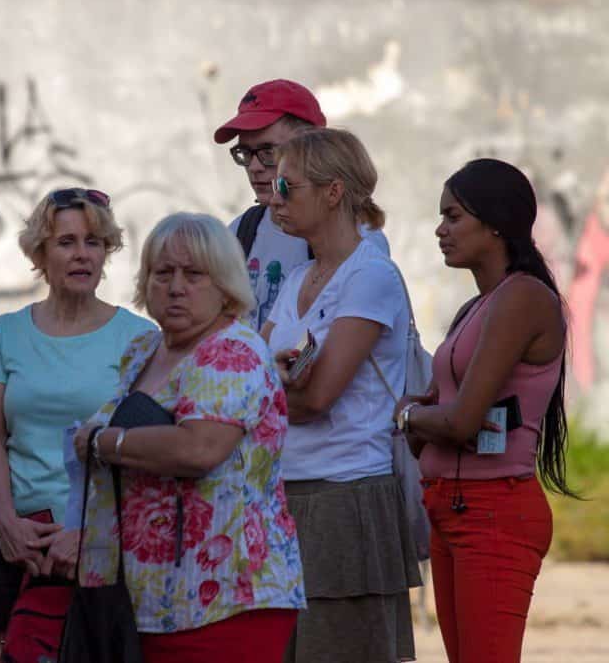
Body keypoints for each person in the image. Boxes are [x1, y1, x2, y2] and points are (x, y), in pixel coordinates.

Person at [72, 212, 305, 663]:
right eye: (163, 273)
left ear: (225, 285)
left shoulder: (231, 350)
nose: (176, 286)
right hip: (152, 595)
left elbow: (199, 448)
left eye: (194, 274)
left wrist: (105, 443)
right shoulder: (143, 350)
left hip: (227, 596)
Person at [394, 158, 573, 663]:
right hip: (451, 507)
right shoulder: (477, 306)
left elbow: (458, 421)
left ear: (494, 222)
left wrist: (407, 418)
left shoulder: (522, 299)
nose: (439, 230)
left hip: (493, 512)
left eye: (452, 217)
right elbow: (439, 412)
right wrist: (422, 419)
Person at [0, 188, 154, 662]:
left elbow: (144, 454)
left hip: (97, 546)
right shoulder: (4, 332)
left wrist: (92, 536)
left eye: (94, 242)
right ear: (40, 254)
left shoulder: (139, 337)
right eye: (66, 242)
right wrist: (7, 523)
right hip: (11, 542)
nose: (82, 254)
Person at [260, 129, 421, 662]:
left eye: (287, 184)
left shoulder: (370, 275)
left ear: (332, 192)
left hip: (345, 494)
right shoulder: (299, 277)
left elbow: (319, 397)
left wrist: (264, 396)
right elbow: (252, 379)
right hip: (285, 492)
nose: (273, 196)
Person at [214, 78, 389, 331]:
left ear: (310, 145)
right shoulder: (240, 231)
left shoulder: (358, 242)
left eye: (268, 152)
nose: (254, 167)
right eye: (244, 154)